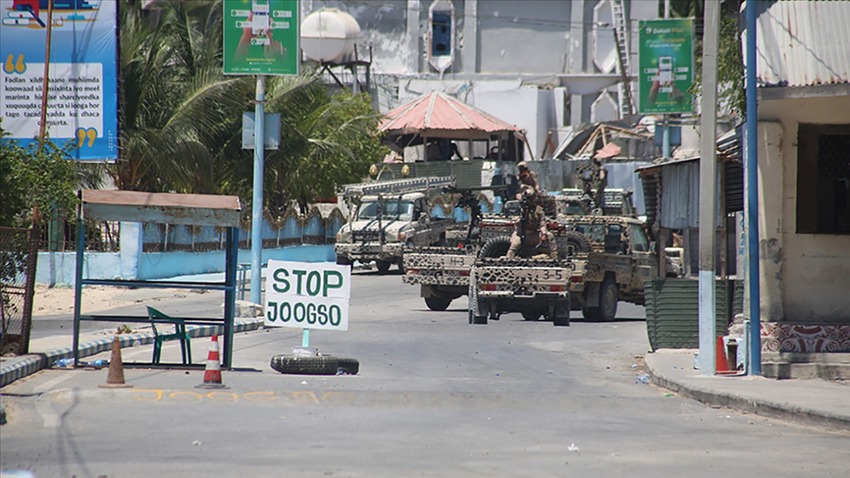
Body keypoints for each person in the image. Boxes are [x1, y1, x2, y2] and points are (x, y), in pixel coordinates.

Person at [506, 186, 558, 260]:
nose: (529, 201)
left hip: (533, 234)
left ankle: (554, 258)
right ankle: (508, 259)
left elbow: (542, 223)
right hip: (520, 233)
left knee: (550, 236)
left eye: (531, 198)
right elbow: (516, 221)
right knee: (515, 245)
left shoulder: (539, 210)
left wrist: (543, 233)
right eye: (528, 199)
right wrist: (522, 213)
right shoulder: (519, 208)